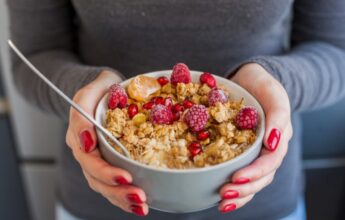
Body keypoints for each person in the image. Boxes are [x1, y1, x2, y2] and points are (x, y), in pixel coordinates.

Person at [7, 0, 345, 219]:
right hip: (100, 197)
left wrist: (275, 80)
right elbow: (35, 56)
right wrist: (89, 91)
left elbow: (335, 50)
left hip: (259, 202)